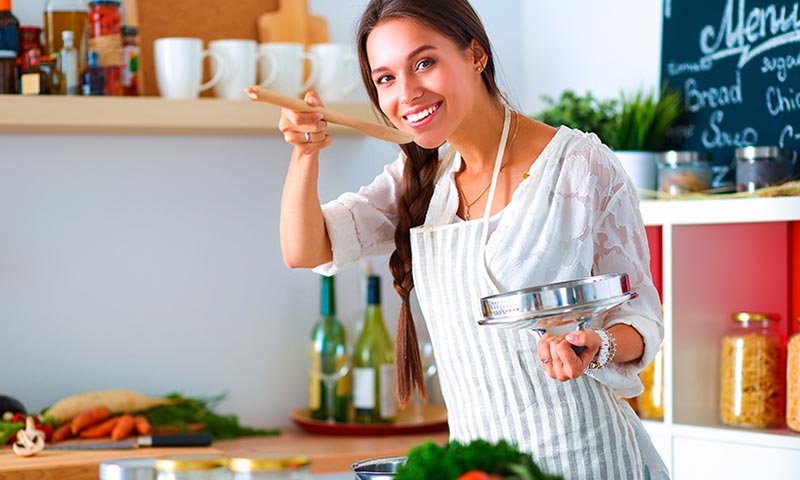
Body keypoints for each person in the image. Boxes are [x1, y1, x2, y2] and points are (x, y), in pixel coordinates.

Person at [277, 0, 667, 478]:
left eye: (424, 62)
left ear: (476, 54)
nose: (407, 93)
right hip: (481, 466)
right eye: (386, 78)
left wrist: (596, 345)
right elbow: (304, 249)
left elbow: (640, 317)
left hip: (586, 457)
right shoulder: (420, 177)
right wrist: (303, 155)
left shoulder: (579, 165)